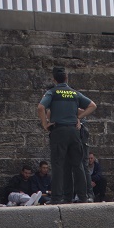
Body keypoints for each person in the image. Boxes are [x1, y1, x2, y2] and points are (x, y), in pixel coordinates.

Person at [38, 67, 96, 204]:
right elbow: (93, 105)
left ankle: (58, 198)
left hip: (59, 131)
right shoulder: (74, 93)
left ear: (54, 80)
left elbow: (41, 107)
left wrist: (45, 124)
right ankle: (82, 196)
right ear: (67, 78)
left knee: (59, 165)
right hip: (74, 132)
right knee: (78, 165)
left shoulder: (52, 92)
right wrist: (79, 117)